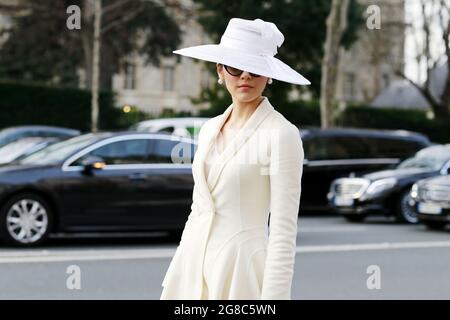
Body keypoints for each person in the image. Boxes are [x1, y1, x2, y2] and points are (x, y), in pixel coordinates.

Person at [160, 17, 310, 300]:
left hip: (241, 272)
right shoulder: (208, 129)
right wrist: (182, 263)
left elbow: (283, 229)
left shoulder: (282, 134)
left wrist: (274, 299)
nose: (245, 76)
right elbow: (198, 209)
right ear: (220, 70)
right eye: (235, 67)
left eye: (255, 69)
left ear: (268, 75)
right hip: (191, 267)